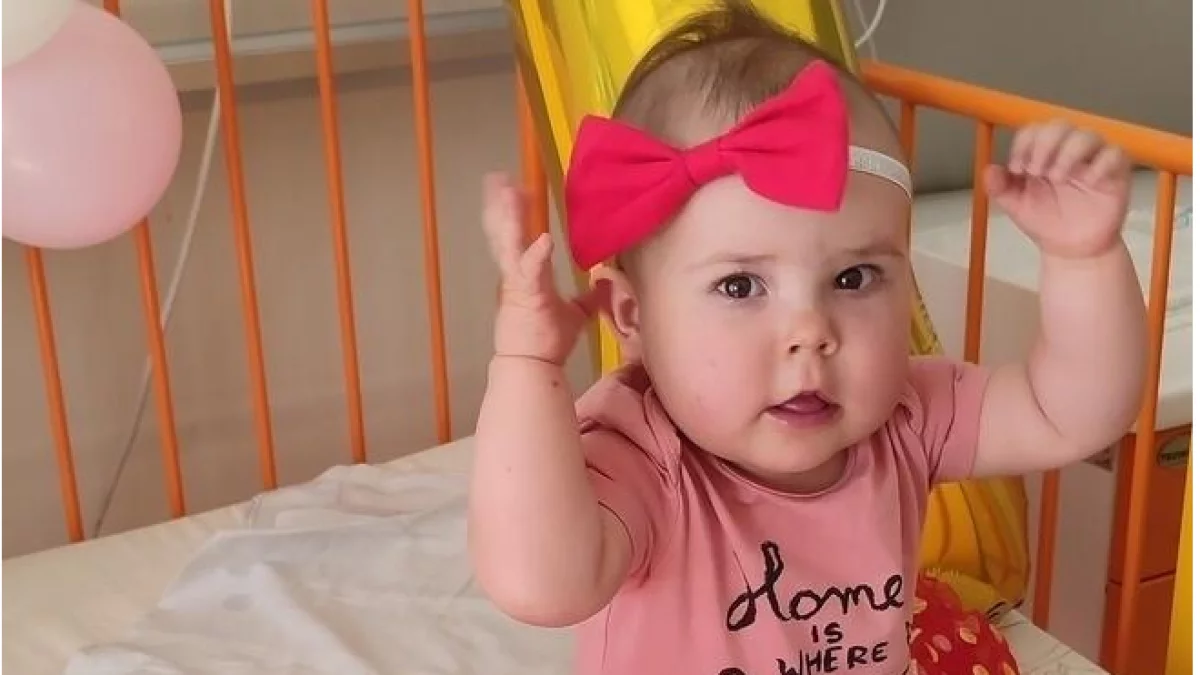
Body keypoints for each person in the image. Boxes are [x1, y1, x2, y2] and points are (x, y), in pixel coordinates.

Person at [469, 3, 1147, 673]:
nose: (810, 332)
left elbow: (1069, 414)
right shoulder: (643, 456)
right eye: (740, 286)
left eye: (853, 277)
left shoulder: (906, 415)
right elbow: (542, 583)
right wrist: (527, 367)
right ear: (633, 316)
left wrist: (1085, 260)